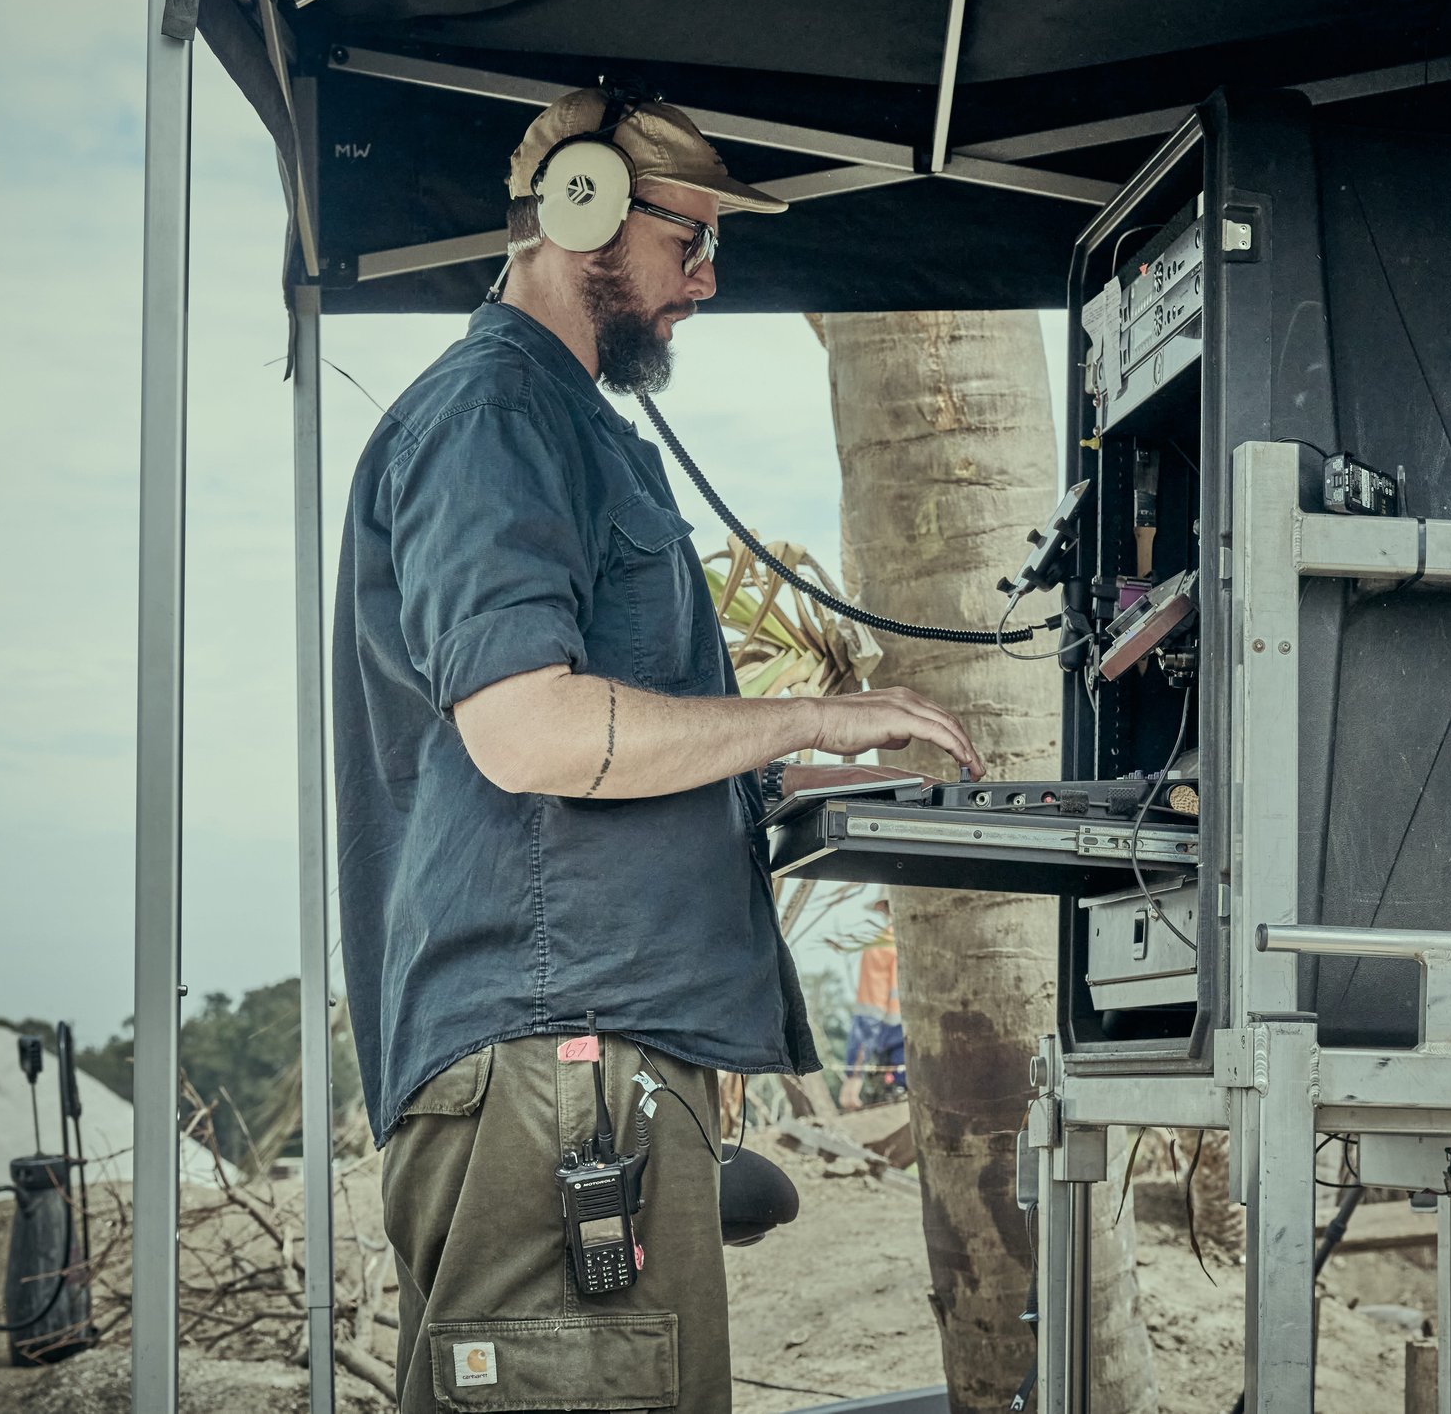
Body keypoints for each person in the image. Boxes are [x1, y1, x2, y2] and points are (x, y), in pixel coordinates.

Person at [334, 87, 983, 1414]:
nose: (706, 279)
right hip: (556, 1061)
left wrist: (823, 782)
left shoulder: (571, 426)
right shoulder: (491, 417)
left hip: (583, 1057)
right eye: (690, 240)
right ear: (580, 210)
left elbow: (616, 748)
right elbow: (531, 729)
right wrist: (813, 715)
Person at [837, 898, 905, 1111]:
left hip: (893, 1042)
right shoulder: (931, 940)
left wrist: (854, 1076)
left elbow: (869, 1016)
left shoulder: (881, 947)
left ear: (882, 908)